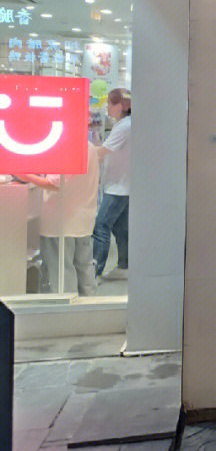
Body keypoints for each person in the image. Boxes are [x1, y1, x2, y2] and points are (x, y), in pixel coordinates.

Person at [15, 139, 100, 296]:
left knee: (60, 274)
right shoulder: (89, 146)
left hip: (60, 222)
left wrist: (27, 177)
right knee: (83, 268)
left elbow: (55, 183)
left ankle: (66, 315)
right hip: (83, 220)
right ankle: (86, 311)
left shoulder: (69, 147)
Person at [93, 88, 131, 280]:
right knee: (120, 228)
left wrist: (85, 154)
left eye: (109, 103)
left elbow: (104, 151)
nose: (107, 107)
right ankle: (124, 265)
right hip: (121, 186)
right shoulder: (126, 125)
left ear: (119, 106)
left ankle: (95, 272)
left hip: (117, 187)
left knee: (101, 226)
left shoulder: (124, 126)